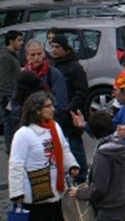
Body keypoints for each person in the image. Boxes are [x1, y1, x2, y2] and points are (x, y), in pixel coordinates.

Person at [8, 91, 80, 221]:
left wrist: (71, 165)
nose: (53, 109)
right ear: (36, 110)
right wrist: (17, 192)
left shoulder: (55, 127)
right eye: (48, 106)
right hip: (35, 198)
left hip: (57, 194)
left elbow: (64, 149)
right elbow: (16, 165)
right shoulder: (23, 134)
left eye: (52, 105)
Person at [69, 110, 125, 221]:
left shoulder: (102, 156)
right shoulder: (123, 146)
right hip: (124, 204)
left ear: (93, 133)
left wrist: (80, 193)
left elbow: (99, 188)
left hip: (109, 209)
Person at [50, 34, 88, 181]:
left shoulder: (75, 67)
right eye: (52, 46)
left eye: (57, 47)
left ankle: (81, 178)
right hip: (57, 114)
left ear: (65, 49)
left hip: (71, 115)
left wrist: (69, 108)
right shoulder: (53, 65)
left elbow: (82, 91)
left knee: (75, 147)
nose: (54, 50)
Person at [1, 29, 23, 152]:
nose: (21, 43)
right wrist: (9, 98)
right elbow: (4, 79)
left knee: (12, 124)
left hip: (13, 96)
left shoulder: (12, 55)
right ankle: (11, 150)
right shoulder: (5, 57)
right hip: (9, 97)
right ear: (11, 41)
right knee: (10, 124)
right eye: (19, 40)